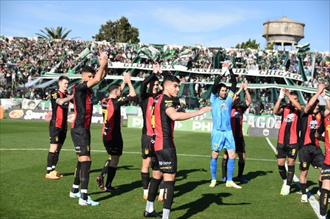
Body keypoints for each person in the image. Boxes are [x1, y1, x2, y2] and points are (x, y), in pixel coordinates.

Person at [144, 75, 210, 218]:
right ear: (166, 86)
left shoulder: (157, 98)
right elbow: (173, 116)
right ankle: (165, 217)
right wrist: (198, 112)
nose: (177, 89)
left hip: (155, 143)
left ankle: (149, 209)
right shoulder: (166, 99)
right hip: (165, 144)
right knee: (169, 181)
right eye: (175, 86)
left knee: (156, 176)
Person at [69, 52, 108, 206]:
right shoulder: (79, 87)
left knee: (82, 160)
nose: (93, 79)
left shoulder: (87, 89)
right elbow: (98, 78)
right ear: (85, 76)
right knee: (86, 161)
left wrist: (105, 63)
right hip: (79, 129)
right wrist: (102, 63)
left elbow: (102, 76)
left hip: (84, 129)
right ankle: (83, 197)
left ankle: (74, 190)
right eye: (90, 76)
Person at [96, 72, 136, 192]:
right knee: (115, 159)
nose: (121, 92)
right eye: (120, 91)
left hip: (105, 133)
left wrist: (123, 81)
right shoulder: (116, 103)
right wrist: (129, 82)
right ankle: (105, 180)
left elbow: (117, 91)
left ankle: (105, 180)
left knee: (112, 157)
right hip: (114, 135)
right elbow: (133, 95)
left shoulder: (104, 100)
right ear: (116, 92)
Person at [209, 64, 241, 189]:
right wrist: (222, 73)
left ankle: (229, 180)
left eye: (225, 90)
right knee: (215, 155)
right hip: (217, 132)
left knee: (232, 155)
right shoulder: (213, 99)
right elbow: (213, 86)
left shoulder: (228, 99)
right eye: (222, 90)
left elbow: (234, 83)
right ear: (218, 92)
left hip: (228, 132)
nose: (224, 92)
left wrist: (231, 70)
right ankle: (213, 179)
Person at [139, 63, 164, 200]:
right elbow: (143, 84)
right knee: (146, 163)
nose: (155, 86)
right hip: (147, 136)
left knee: (159, 165)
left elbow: (168, 89)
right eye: (153, 84)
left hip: (160, 137)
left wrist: (161, 74)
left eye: (156, 85)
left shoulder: (161, 98)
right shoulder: (144, 98)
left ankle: (161, 191)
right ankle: (145, 190)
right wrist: (153, 74)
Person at [298, 84, 325, 203]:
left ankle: (320, 190)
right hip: (304, 148)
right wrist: (318, 92)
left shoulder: (320, 116)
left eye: (318, 104)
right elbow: (309, 105)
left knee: (324, 170)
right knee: (304, 172)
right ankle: (304, 193)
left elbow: (318, 134)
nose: (317, 106)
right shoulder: (305, 114)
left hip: (316, 148)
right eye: (315, 104)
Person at [273, 88, 302, 196]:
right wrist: (281, 97)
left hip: (293, 142)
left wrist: (288, 95)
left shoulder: (299, 110)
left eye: (295, 99)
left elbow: (299, 106)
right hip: (281, 141)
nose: (293, 100)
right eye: (292, 98)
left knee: (291, 163)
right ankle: (285, 180)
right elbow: (275, 111)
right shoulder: (285, 108)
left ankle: (288, 185)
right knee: (280, 164)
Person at [221, 81, 251, 184]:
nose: (237, 99)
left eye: (238, 98)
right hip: (230, 135)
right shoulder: (229, 107)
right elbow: (231, 99)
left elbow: (249, 101)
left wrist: (246, 90)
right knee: (226, 156)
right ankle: (224, 176)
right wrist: (240, 90)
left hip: (239, 136)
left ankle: (240, 176)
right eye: (236, 98)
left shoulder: (240, 108)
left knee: (242, 157)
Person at [45, 75, 73, 180]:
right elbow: (60, 102)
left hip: (63, 125)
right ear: (59, 83)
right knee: (54, 147)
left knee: (59, 149)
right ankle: (48, 171)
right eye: (65, 83)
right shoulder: (54, 93)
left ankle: (53, 169)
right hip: (55, 125)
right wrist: (72, 96)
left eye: (67, 84)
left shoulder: (66, 94)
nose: (66, 85)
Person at [319, 96, 330, 217]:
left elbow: (317, 134)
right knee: (326, 185)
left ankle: (322, 214)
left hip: (328, 158)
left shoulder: (326, 119)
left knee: (326, 185)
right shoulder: (326, 118)